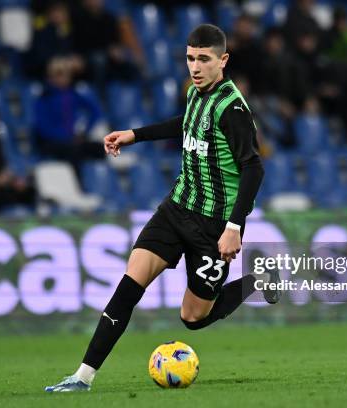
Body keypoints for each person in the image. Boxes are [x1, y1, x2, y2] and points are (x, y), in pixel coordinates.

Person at [44, 23, 278, 393]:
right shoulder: (196, 94)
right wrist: (134, 135)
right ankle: (82, 377)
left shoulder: (232, 107)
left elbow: (253, 167)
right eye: (190, 58)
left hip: (214, 227)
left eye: (204, 59)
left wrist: (234, 227)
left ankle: (257, 283)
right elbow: (185, 125)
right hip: (176, 209)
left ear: (223, 60)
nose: (195, 67)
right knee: (129, 283)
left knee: (193, 317)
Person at [33, 57, 105, 169]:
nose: (64, 77)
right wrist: (67, 137)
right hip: (53, 142)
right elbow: (43, 128)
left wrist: (84, 133)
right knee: (73, 152)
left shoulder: (73, 94)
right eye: (59, 74)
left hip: (72, 140)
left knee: (99, 149)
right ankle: (79, 183)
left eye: (67, 74)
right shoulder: (44, 98)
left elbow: (96, 111)